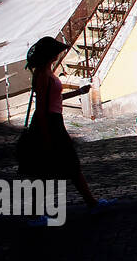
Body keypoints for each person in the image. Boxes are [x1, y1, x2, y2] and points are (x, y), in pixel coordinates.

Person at [22, 37, 109, 213]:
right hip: (49, 123)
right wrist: (46, 136)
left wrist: (78, 92)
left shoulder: (47, 73)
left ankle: (91, 203)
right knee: (52, 169)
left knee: (66, 166)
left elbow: (54, 99)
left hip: (54, 121)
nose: (58, 54)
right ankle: (37, 214)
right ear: (49, 55)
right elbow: (42, 107)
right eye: (55, 52)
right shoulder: (42, 75)